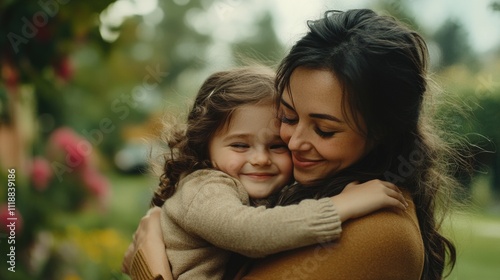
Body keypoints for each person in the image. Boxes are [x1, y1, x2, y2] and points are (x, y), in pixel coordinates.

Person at [123, 9, 461, 280]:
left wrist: (149, 254)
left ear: (383, 132)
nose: (294, 142)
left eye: (325, 131)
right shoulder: (287, 192)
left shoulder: (378, 231)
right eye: (287, 116)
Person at [127, 66, 407, 280]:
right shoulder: (205, 187)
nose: (260, 159)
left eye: (276, 145)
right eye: (239, 145)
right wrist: (342, 205)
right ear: (205, 148)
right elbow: (250, 231)